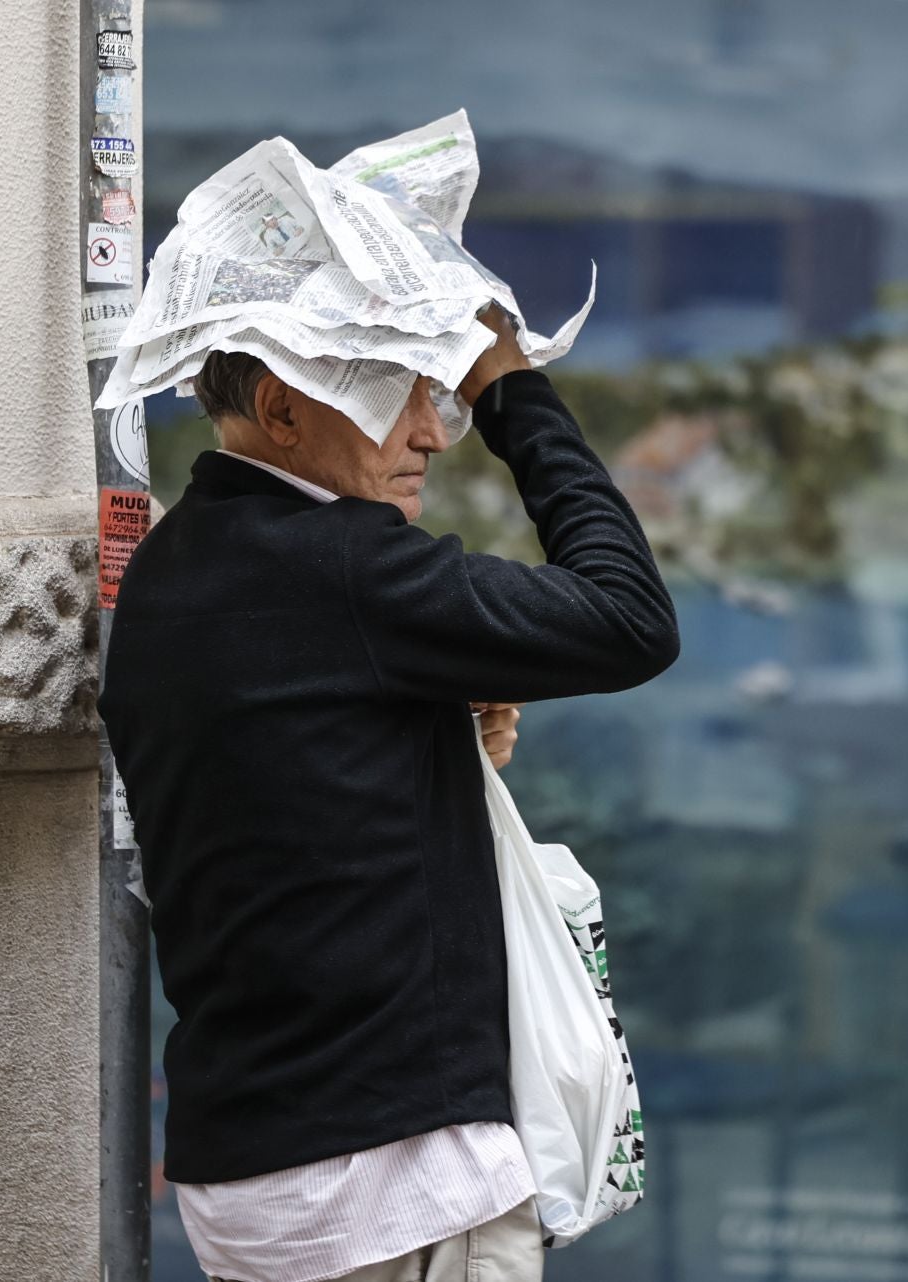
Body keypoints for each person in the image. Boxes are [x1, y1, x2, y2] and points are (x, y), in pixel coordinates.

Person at [97, 309, 681, 1282]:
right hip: (394, 1183)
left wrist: (438, 749)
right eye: (397, 391)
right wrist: (508, 387)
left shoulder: (173, 566)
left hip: (256, 1171)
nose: (431, 430)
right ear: (282, 410)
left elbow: (289, 811)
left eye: (442, 389)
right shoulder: (345, 568)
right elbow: (631, 617)